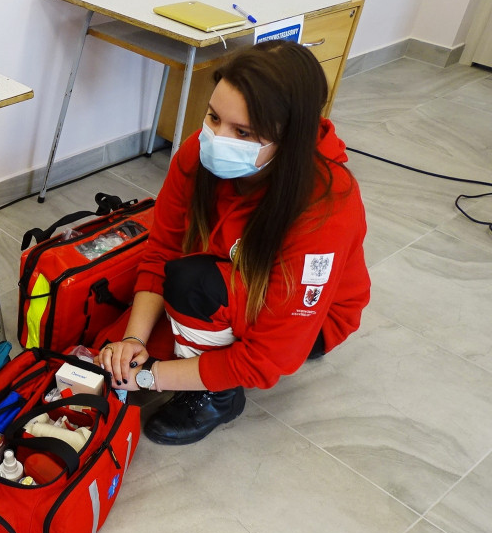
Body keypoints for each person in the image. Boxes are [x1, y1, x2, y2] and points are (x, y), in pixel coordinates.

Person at [97, 40, 370, 446]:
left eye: (242, 132)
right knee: (107, 358)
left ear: (290, 139)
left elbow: (269, 359)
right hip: (231, 282)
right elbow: (162, 251)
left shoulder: (326, 207)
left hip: (309, 319)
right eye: (212, 117)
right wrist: (134, 341)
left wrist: (151, 375)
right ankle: (195, 344)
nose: (216, 138)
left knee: (193, 286)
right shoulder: (199, 152)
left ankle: (219, 397)